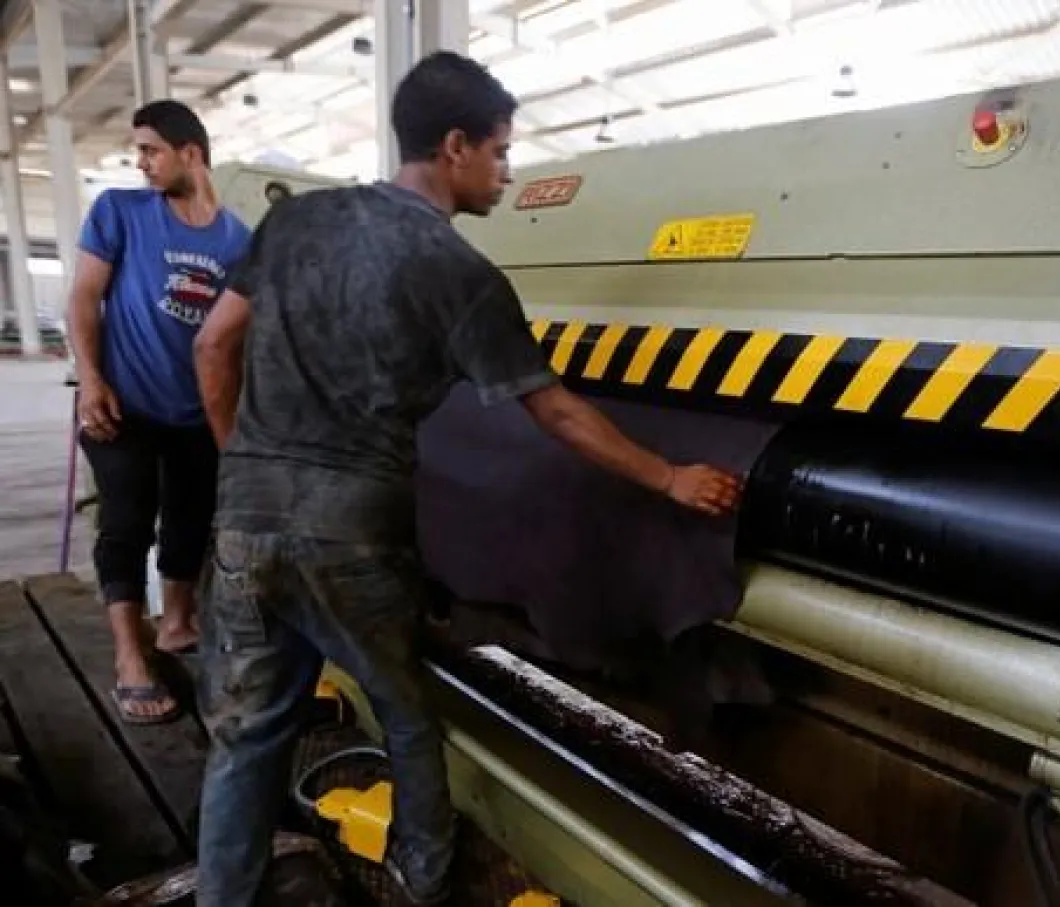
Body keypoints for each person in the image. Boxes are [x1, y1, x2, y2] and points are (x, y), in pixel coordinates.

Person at [191, 51, 743, 907]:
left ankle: (223, 896)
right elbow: (555, 414)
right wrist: (668, 476)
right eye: (499, 151)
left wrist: (242, 464)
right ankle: (424, 880)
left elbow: (211, 345)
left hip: (244, 518)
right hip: (352, 529)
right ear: (454, 147)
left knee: (247, 731)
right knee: (405, 710)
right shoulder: (459, 272)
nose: (508, 173)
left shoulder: (296, 222)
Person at [65, 99, 252, 725]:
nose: (139, 162)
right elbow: (85, 298)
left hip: (195, 414)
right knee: (126, 522)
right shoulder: (120, 212)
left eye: (150, 150)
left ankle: (175, 625)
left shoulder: (238, 241)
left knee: (190, 525)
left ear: (190, 153)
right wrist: (91, 379)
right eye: (138, 150)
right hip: (123, 406)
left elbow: (236, 338)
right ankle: (130, 658)